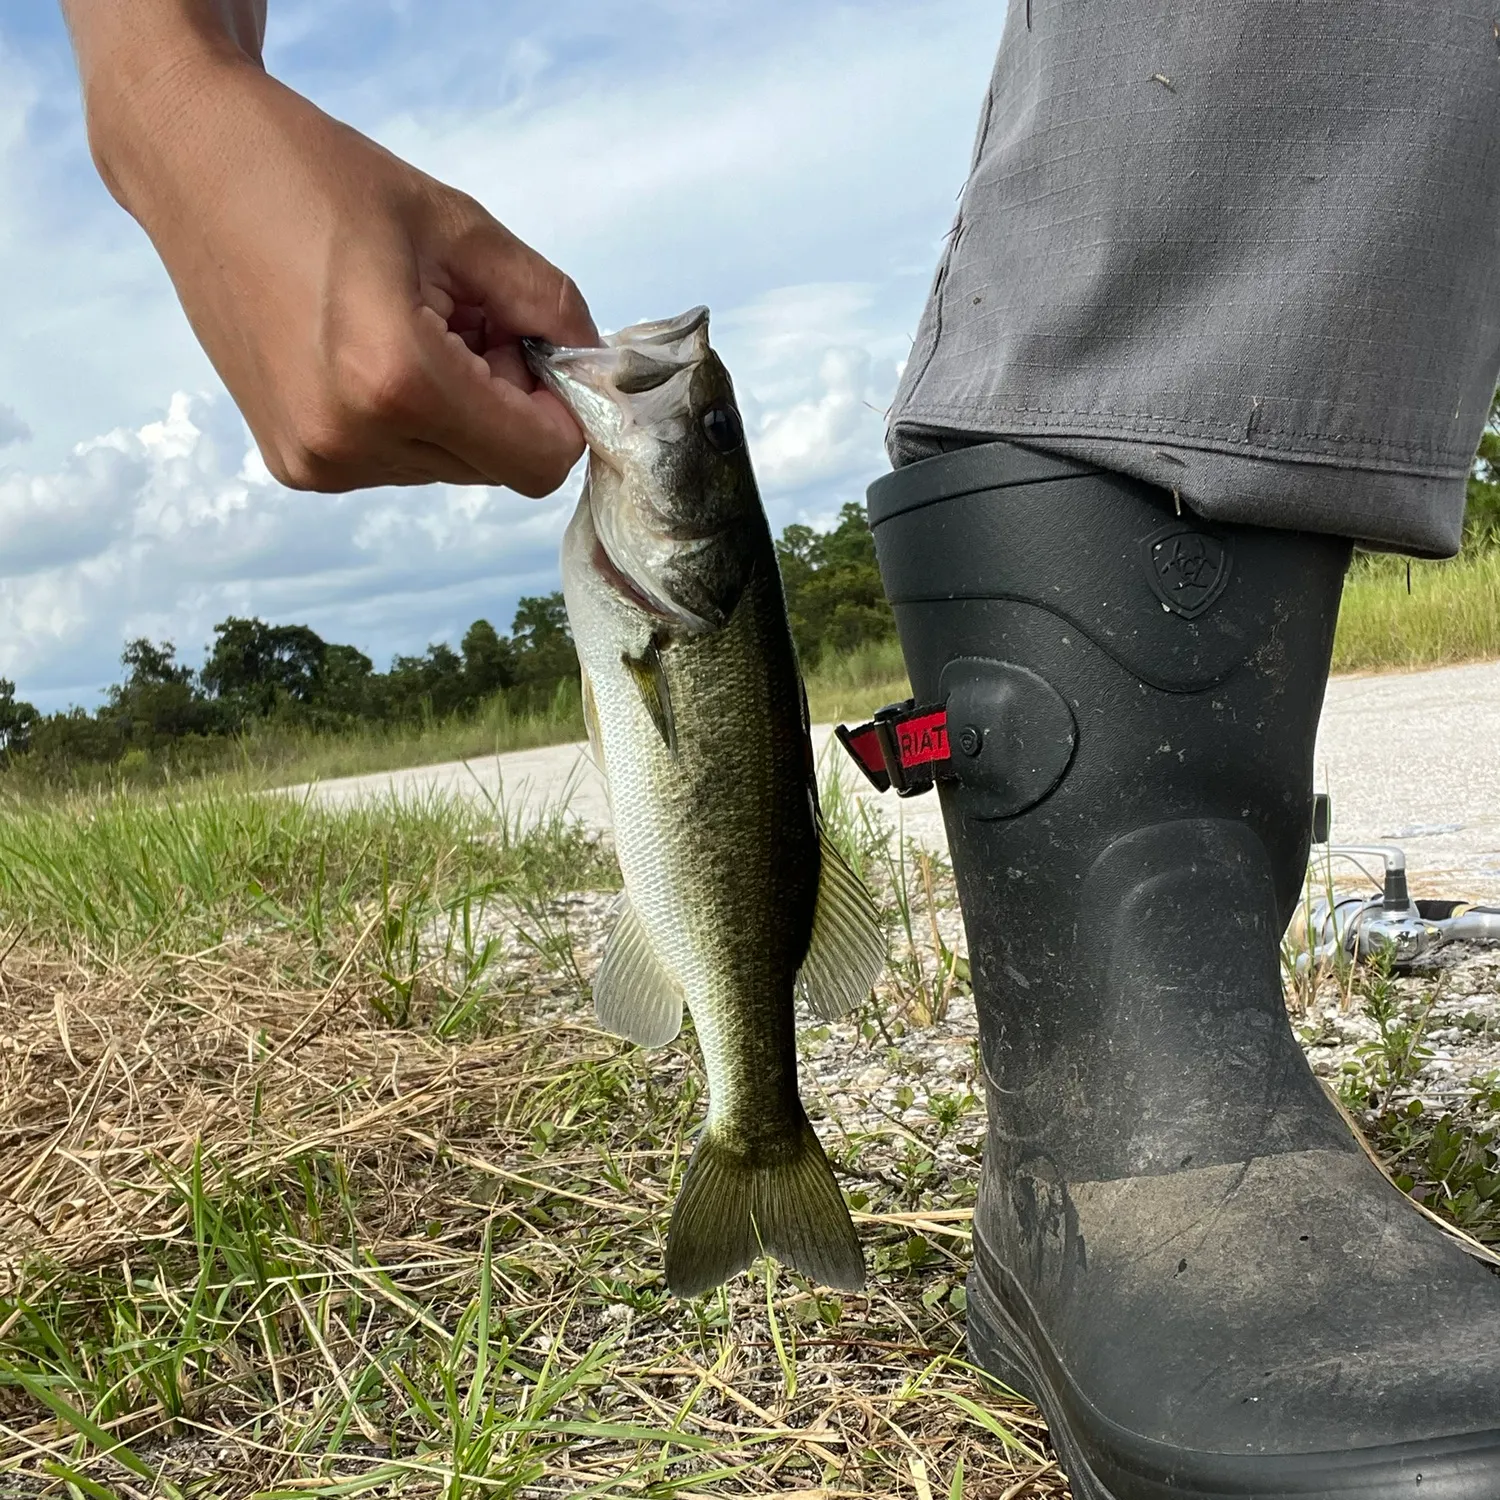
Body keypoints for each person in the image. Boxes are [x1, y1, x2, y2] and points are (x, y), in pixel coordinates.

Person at [64, 1, 1500, 1495]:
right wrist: (167, 88)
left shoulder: (661, 593)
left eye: (711, 449)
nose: (688, 403)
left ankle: (1095, 1101)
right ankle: (1072, 1134)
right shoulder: (658, 590)